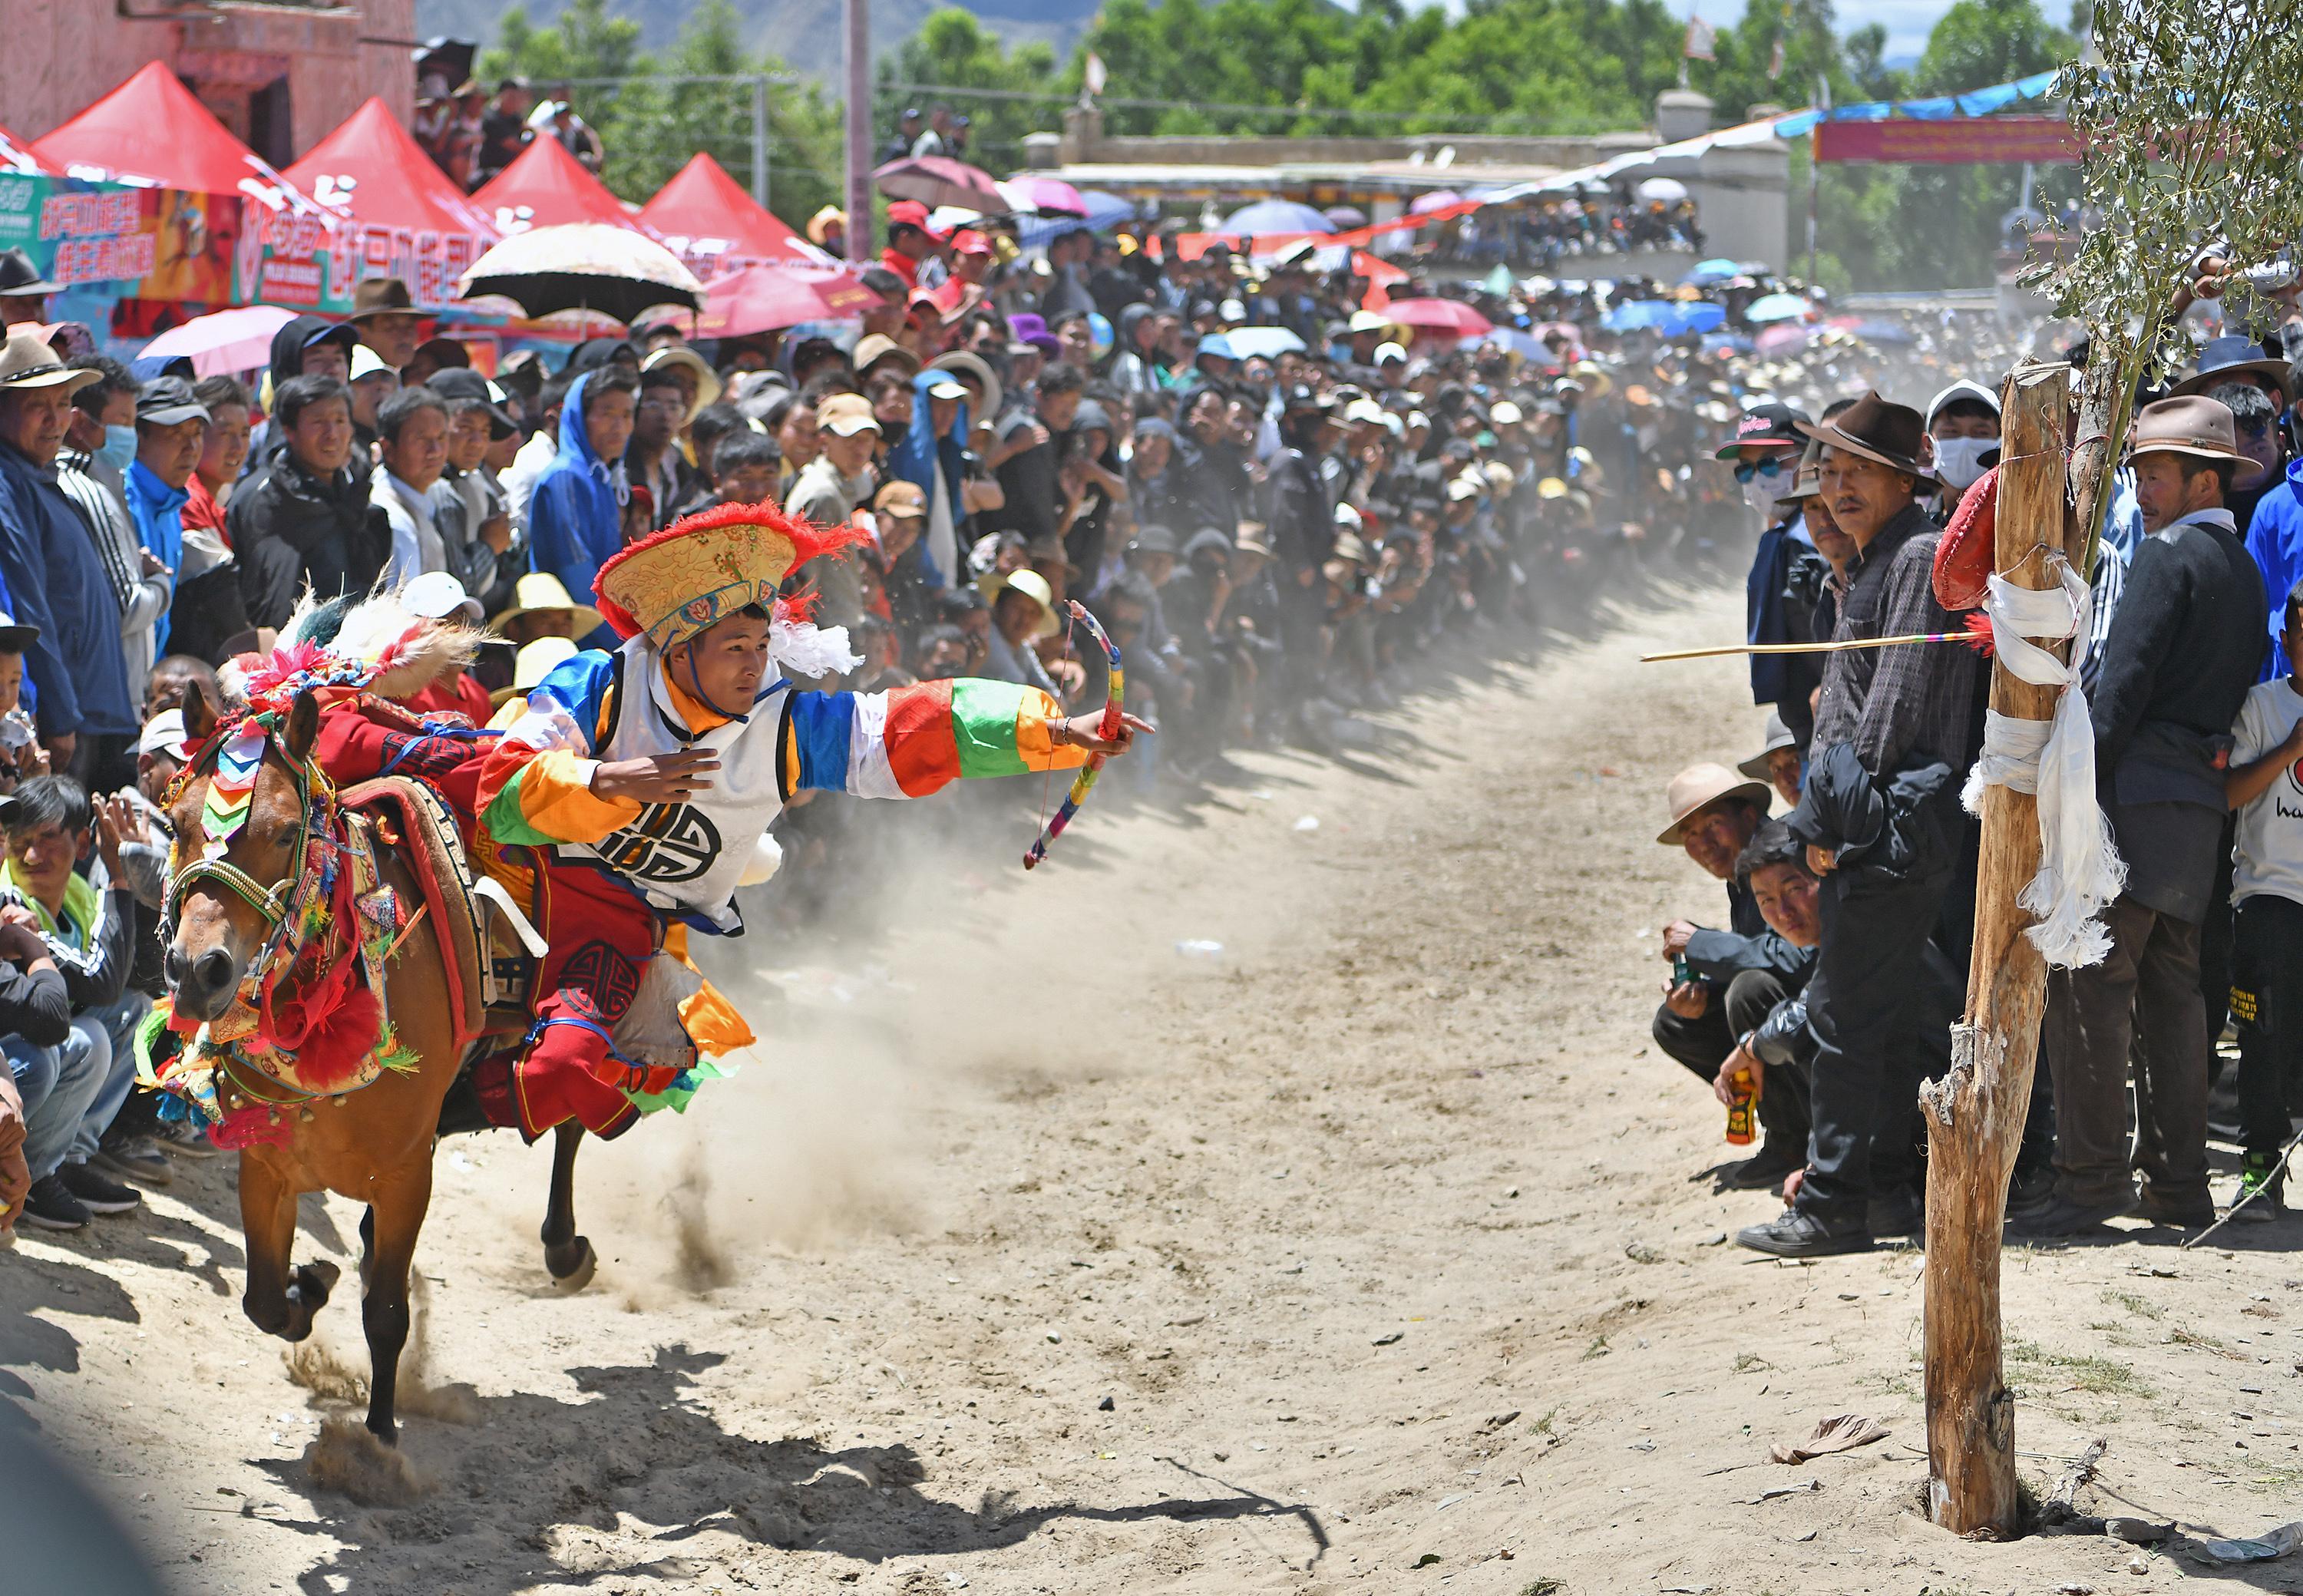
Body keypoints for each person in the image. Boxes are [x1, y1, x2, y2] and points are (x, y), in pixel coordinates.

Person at [451, 502, 1144, 1141]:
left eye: (761, 645)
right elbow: (503, 789)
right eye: (734, 648)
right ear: (679, 648)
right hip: (523, 886)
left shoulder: (779, 727)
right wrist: (606, 779)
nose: (755, 665)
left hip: (619, 927)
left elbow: (903, 728)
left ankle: (431, 1131)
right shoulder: (601, 685)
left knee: (569, 1074)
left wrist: (1053, 729)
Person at [1746, 393, 1979, 1257]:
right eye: (1829, 472)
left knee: (1846, 1027)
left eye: (1856, 471)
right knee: (1868, 1025)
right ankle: (1876, 1191)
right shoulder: (1877, 559)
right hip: (1871, 823)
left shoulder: (1916, 557)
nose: (1838, 488)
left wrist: (1834, 824)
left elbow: (1893, 718)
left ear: (1899, 477)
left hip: (1885, 826)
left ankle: (1835, 1205)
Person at [2029, 396, 2268, 1235]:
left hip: (2132, 801)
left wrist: (2071, 786)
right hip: (2195, 812)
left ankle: (2090, 1186)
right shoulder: (2243, 572)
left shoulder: (2169, 558)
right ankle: (2179, 1187)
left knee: (2089, 987)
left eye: (2156, 475)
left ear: (2206, 480)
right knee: (2173, 996)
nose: (2144, 492)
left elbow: (2120, 687)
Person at [1650, 764, 1812, 1187]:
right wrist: (1700, 990)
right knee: (1677, 1022)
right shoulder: (1739, 874)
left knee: (1749, 991)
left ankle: (1792, 1142)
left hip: (1824, 1014)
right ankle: (1785, 1125)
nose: (1703, 844)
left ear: (1747, 816)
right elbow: (1760, 949)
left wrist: (1701, 944)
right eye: (1689, 835)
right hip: (1789, 1021)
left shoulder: (1782, 852)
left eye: (1713, 825)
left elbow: (1796, 957)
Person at [1, 777, 151, 1228]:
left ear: (82, 843)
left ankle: (70, 1159)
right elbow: (97, 982)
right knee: (85, 1040)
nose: (30, 856)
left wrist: (138, 881)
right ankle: (38, 1169)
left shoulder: (80, 896)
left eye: (47, 839)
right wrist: (120, 880)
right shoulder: (11, 899)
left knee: (133, 1009)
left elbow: (140, 974)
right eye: (20, 842)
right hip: (18, 1052)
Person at [0, 331, 139, 778]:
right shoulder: (8, 486)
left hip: (92, 712)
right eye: (37, 406)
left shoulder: (41, 479)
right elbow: (28, 604)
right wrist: (58, 715)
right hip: (68, 720)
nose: (54, 419)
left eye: (62, 404)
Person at [2222, 576, 2303, 1221]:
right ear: (2288, 638)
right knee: (2263, 1036)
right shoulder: (2263, 706)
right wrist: (2292, 748)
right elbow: (2231, 795)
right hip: (2268, 896)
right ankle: (2257, 1170)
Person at [57, 359, 173, 726]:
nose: (130, 435)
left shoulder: (100, 485)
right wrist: (160, 582)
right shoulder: (86, 491)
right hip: (104, 704)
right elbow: (127, 609)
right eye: (122, 423)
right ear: (79, 423)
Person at [230, 375, 390, 631]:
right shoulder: (262, 498)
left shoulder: (352, 494)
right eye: (318, 422)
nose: (333, 434)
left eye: (340, 421)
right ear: (289, 430)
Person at [527, 367, 638, 650]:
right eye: (608, 413)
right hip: (576, 640)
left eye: (626, 415)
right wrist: (625, 644)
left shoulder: (597, 477)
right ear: (580, 416)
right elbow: (578, 575)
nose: (619, 426)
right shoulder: (565, 477)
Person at [348, 277, 425, 373]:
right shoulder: (342, 381)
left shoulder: (415, 382)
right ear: (361, 333)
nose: (406, 336)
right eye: (392, 328)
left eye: (410, 327)